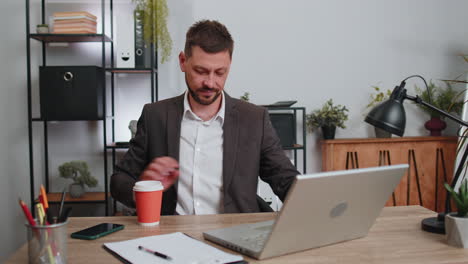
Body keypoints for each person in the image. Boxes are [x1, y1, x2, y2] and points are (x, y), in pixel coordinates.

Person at [110, 20, 299, 215]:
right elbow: (119, 180)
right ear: (183, 61)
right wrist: (144, 188)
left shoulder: (253, 119)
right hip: (171, 235)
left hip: (235, 234)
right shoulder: (155, 116)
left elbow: (284, 179)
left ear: (229, 66)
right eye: (201, 71)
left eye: (220, 73)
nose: (210, 82)